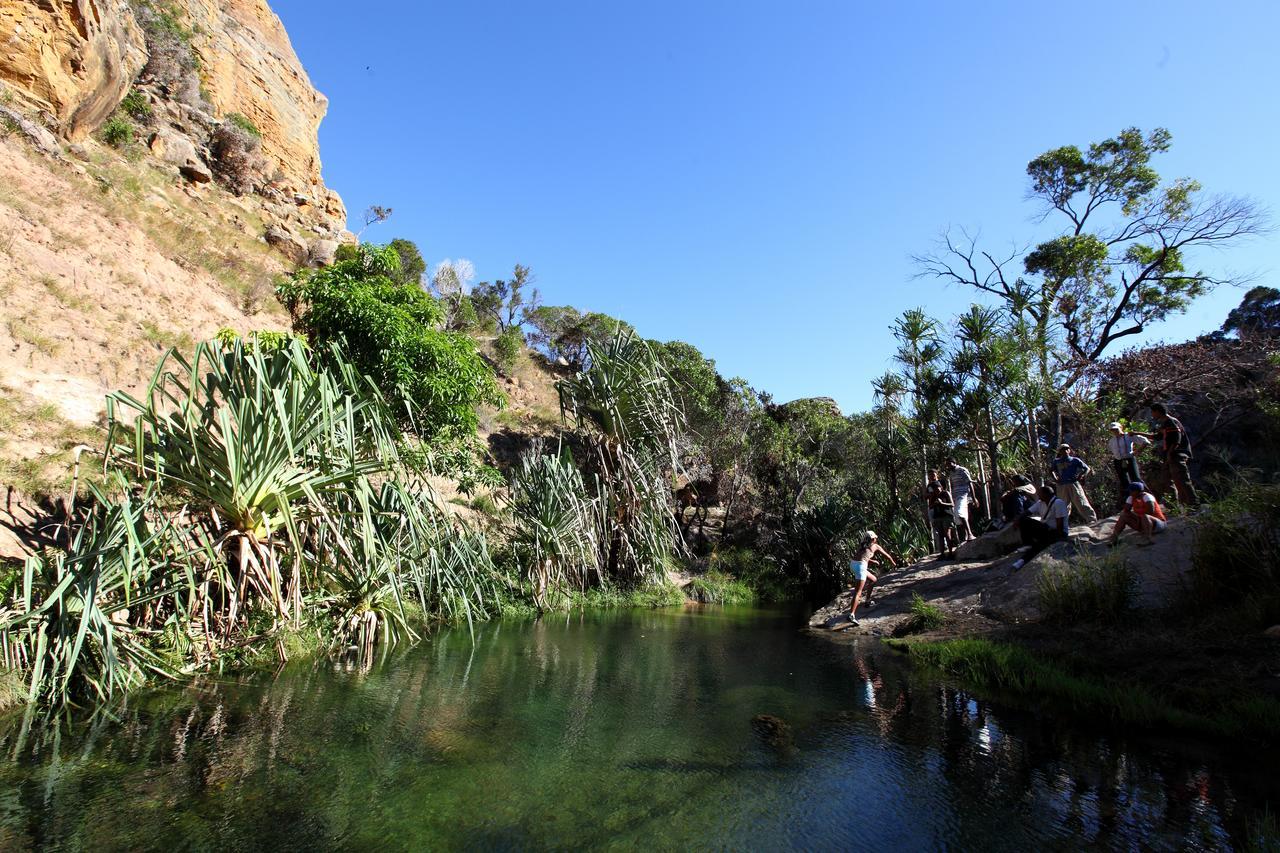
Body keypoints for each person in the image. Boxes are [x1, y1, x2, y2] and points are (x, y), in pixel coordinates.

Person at [1141, 402, 1200, 506]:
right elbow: (1157, 437)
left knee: (1182, 479)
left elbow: (1177, 439)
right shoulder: (1164, 423)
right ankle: (1173, 505)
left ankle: (1193, 504)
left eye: (1153, 412)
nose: (1152, 414)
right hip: (1169, 455)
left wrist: (1170, 453)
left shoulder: (1171, 422)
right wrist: (1138, 433)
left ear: (1158, 412)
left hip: (1176, 455)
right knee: (1167, 480)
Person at [1012, 485, 1070, 569]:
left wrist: (1057, 539)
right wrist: (1017, 520)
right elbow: (1027, 512)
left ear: (1047, 494)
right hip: (1046, 529)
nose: (1038, 495)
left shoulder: (1058, 503)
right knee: (1024, 520)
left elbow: (1059, 524)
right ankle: (1028, 544)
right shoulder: (1040, 503)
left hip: (1057, 532)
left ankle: (1021, 561)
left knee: (1039, 546)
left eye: (1040, 494)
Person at [847, 531, 897, 626]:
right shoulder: (876, 546)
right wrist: (893, 563)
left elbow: (863, 556)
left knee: (873, 580)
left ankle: (867, 601)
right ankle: (851, 615)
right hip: (861, 566)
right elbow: (887, 556)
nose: (876, 539)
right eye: (875, 538)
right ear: (873, 539)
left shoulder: (863, 545)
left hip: (853, 564)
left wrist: (872, 561)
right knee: (858, 592)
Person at [1108, 481, 1167, 547]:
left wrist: (1138, 518)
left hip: (1158, 525)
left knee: (1145, 516)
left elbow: (1151, 511)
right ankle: (1114, 538)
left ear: (1138, 491)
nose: (1130, 493)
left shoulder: (1147, 497)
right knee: (1124, 516)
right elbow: (1126, 511)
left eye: (1132, 491)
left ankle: (1148, 539)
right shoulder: (1131, 498)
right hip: (1143, 525)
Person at [1050, 444, 1097, 524]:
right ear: (1060, 451)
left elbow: (1087, 469)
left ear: (1069, 450)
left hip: (1074, 484)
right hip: (1062, 485)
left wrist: (1081, 475)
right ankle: (1063, 524)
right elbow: (1051, 470)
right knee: (1063, 505)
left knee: (1081, 502)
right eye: (1062, 449)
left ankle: (1091, 520)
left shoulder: (1075, 460)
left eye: (1066, 449)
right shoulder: (1056, 461)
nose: (1065, 450)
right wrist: (1055, 479)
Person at [1106, 421, 1151, 496]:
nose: (1114, 431)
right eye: (1112, 430)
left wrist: (1137, 451)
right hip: (1118, 461)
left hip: (1129, 459)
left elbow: (1145, 441)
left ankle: (1147, 496)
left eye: (1116, 429)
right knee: (1124, 481)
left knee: (1136, 478)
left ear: (1121, 428)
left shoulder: (1128, 436)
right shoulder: (1112, 441)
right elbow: (1110, 450)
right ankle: (1130, 499)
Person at [925, 470, 958, 558]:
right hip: (937, 515)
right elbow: (929, 502)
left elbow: (952, 504)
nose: (937, 489)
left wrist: (942, 504)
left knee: (947, 533)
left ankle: (950, 553)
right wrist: (934, 501)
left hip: (946, 515)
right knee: (940, 535)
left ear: (941, 487)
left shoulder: (945, 493)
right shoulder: (934, 494)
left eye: (938, 488)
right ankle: (942, 553)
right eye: (935, 488)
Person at [945, 458, 978, 541]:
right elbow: (953, 485)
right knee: (959, 517)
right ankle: (967, 535)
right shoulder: (951, 473)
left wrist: (974, 498)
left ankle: (970, 534)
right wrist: (952, 497)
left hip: (963, 494)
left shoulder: (962, 470)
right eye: (947, 464)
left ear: (954, 462)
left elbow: (969, 483)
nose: (948, 466)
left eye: (949, 464)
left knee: (960, 513)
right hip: (956, 496)